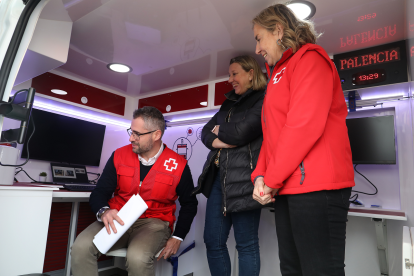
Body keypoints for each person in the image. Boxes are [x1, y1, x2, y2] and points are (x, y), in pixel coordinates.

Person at [250, 4, 355, 276]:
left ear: (278, 30)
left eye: (259, 38)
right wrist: (260, 175)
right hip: (287, 186)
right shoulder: (277, 73)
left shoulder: (311, 58)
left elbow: (302, 126)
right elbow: (273, 133)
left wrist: (271, 179)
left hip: (317, 187)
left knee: (320, 270)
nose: (257, 49)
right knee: (292, 269)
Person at [71, 106, 198, 276]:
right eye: (131, 132)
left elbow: (190, 204)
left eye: (137, 134)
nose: (131, 138)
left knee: (137, 258)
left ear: (156, 135)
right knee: (80, 247)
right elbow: (100, 191)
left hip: (154, 224)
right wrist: (104, 211)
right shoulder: (119, 155)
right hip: (119, 219)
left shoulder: (178, 165)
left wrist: (178, 237)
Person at [193, 55, 267, 276]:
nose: (230, 79)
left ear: (251, 73)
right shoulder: (228, 102)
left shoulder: (263, 98)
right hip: (217, 179)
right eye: (229, 74)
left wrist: (224, 131)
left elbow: (243, 132)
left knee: (246, 245)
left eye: (234, 74)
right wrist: (223, 139)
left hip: (245, 180)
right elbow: (204, 132)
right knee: (212, 241)